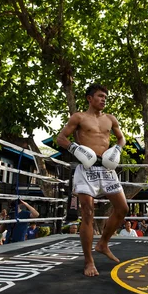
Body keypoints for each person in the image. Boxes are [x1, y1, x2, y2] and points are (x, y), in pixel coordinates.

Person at [57, 83, 129, 277]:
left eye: (105, 96)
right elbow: (61, 138)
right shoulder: (79, 117)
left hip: (106, 169)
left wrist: (118, 149)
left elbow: (121, 139)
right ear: (90, 98)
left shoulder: (110, 119)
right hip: (86, 169)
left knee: (123, 209)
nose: (103, 99)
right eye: (99, 96)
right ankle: (89, 261)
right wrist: (75, 148)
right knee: (87, 213)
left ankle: (103, 243)